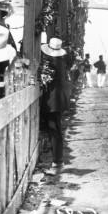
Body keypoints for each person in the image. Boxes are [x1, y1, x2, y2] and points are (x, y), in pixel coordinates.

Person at [41, 38, 71, 174]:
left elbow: (47, 80)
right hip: (58, 99)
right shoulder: (60, 61)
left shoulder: (52, 64)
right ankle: (57, 160)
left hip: (53, 100)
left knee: (54, 130)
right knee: (55, 129)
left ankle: (57, 162)